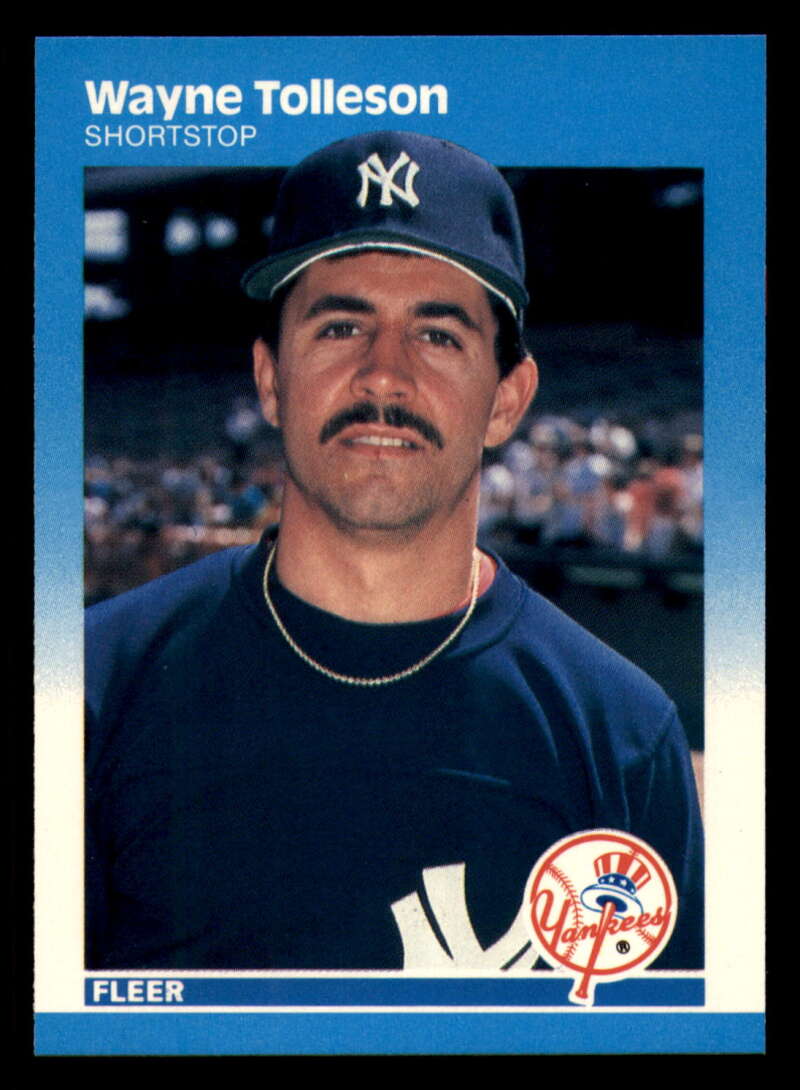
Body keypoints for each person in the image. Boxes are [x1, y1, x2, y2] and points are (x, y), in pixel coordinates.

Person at [85, 131, 703, 971]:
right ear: (270, 380)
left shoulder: (622, 735)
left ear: (507, 399)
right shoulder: (91, 688)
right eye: (341, 326)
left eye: (438, 335)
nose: (384, 375)